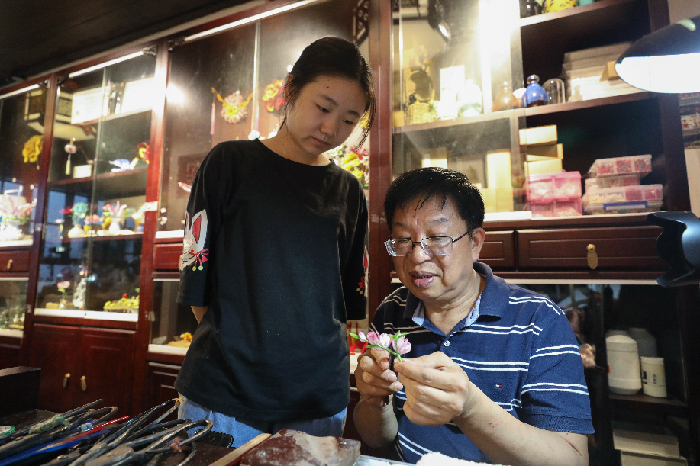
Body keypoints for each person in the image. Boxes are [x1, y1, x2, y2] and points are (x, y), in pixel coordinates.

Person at [175, 36, 375, 447]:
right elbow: (198, 282)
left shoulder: (349, 190)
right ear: (290, 89)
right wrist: (243, 346)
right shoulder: (229, 163)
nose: (330, 128)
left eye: (349, 120)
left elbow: (346, 299)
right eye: (323, 107)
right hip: (226, 394)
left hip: (319, 398)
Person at [353, 167, 594, 465]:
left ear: (476, 242)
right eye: (403, 239)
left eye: (438, 237)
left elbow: (572, 460)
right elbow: (378, 438)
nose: (417, 256)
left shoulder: (539, 321)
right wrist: (373, 399)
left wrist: (469, 408)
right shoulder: (391, 312)